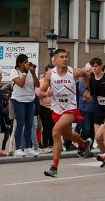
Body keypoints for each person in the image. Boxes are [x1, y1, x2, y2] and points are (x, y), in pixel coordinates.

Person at [39, 49, 91, 177]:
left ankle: (54, 166)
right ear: (55, 59)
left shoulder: (74, 72)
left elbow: (85, 74)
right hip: (57, 109)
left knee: (55, 132)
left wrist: (87, 90)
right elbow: (41, 92)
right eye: (61, 57)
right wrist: (46, 93)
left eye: (66, 56)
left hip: (70, 108)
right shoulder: (50, 74)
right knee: (67, 135)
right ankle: (84, 143)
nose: (65, 59)